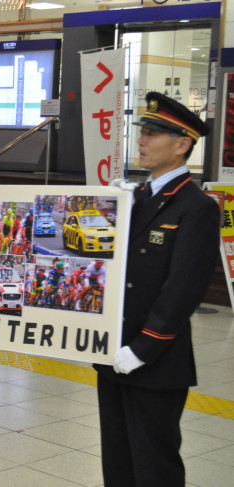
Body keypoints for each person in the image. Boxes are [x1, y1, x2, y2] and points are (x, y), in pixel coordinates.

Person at [95, 92, 220, 487]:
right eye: (142, 132)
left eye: (152, 133)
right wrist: (111, 207)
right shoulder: (137, 197)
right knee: (117, 459)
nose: (142, 140)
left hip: (155, 359)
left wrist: (146, 346)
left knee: (154, 463)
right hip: (114, 350)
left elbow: (183, 288)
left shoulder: (195, 206)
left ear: (182, 145)